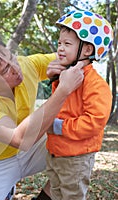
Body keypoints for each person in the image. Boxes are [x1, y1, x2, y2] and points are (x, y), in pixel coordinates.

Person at [0, 31, 85, 200]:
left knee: (81, 140)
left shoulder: (25, 64)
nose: (16, 68)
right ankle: (2, 188)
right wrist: (62, 91)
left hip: (34, 147)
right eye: (6, 69)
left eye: (12, 57)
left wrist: (72, 61)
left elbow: (75, 55)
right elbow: (20, 139)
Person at [45, 10, 113, 200]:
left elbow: (94, 121)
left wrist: (57, 126)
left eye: (67, 44)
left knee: (72, 195)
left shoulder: (95, 84)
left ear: (87, 50)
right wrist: (55, 81)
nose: (60, 48)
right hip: (56, 151)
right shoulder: (65, 76)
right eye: (59, 43)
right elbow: (61, 105)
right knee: (56, 193)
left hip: (76, 157)